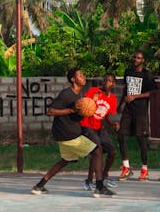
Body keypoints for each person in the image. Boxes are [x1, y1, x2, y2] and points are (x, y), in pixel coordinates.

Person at [30, 68, 115, 198]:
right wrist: (70, 110)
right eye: (80, 75)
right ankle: (99, 187)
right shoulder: (67, 94)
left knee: (64, 160)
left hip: (64, 135)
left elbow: (83, 111)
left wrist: (90, 103)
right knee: (97, 150)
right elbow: (51, 111)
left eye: (83, 74)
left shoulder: (80, 95)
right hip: (69, 134)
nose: (83, 77)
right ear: (73, 80)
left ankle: (39, 186)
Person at [117, 50, 157, 181]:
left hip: (140, 111)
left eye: (138, 58)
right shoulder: (128, 72)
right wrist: (121, 103)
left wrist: (135, 96)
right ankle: (126, 167)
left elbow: (153, 92)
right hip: (128, 110)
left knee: (140, 139)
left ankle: (144, 169)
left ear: (143, 60)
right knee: (121, 135)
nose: (135, 59)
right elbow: (126, 89)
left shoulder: (147, 75)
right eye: (134, 57)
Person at [80, 73, 120, 190]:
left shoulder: (112, 99)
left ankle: (104, 175)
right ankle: (88, 181)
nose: (107, 83)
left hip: (99, 127)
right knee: (97, 151)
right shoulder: (94, 91)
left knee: (112, 152)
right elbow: (84, 105)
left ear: (113, 83)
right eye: (105, 80)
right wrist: (92, 100)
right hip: (87, 126)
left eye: (110, 81)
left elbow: (106, 116)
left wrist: (112, 124)